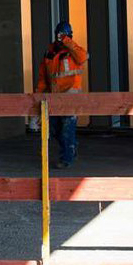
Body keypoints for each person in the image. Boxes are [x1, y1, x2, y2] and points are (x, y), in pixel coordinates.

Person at [34, 21, 88, 169]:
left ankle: (66, 159)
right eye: (59, 35)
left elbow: (83, 57)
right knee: (54, 129)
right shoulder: (50, 52)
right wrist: (38, 96)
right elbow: (43, 77)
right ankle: (72, 147)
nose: (61, 38)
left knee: (67, 129)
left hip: (71, 97)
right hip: (55, 98)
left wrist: (67, 41)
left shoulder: (74, 51)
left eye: (64, 35)